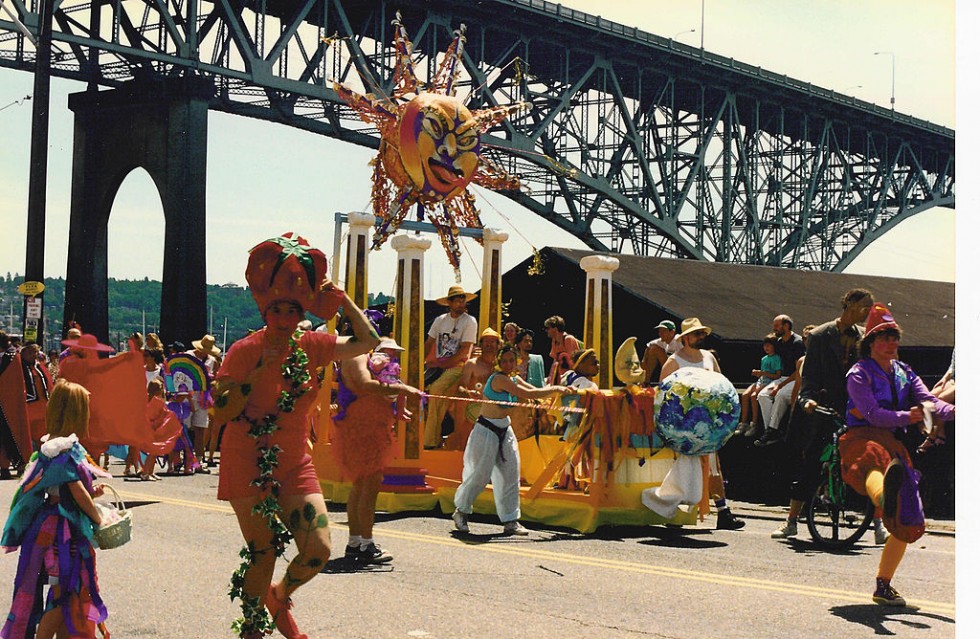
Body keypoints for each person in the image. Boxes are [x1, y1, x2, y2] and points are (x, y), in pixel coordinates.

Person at [212, 233, 379, 639]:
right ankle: (251, 631)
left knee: (318, 550)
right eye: (277, 311)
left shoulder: (313, 345)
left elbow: (368, 342)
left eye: (292, 309)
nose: (285, 318)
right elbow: (223, 411)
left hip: (292, 461)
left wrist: (341, 300)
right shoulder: (243, 351)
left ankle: (279, 595)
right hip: (245, 460)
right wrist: (256, 374)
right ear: (266, 312)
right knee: (264, 549)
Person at [837, 303, 954, 606]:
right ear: (870, 343)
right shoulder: (858, 374)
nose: (890, 343)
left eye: (894, 337)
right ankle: (882, 497)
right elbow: (873, 414)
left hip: (895, 444)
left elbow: (929, 401)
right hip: (862, 437)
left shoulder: (905, 372)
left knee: (908, 518)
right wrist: (909, 417)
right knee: (872, 461)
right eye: (882, 337)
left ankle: (883, 585)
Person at [1, 379, 111, 638]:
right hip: (60, 530)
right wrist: (99, 516)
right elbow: (76, 492)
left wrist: (92, 493)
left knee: (69, 590)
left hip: (53, 524)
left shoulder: (53, 444)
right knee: (65, 590)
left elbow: (62, 487)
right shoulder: (62, 449)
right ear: (75, 411)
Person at [770, 290, 877, 540]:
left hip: (853, 409)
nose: (868, 311)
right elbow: (810, 375)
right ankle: (792, 520)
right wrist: (807, 399)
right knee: (812, 463)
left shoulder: (864, 337)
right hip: (823, 406)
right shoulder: (820, 335)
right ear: (849, 304)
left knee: (869, 462)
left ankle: (879, 524)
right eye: (865, 306)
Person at [452, 344, 573, 535]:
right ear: (499, 362)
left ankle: (510, 520)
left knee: (510, 474)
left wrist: (562, 390)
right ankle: (461, 511)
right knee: (480, 475)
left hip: (504, 429)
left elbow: (536, 390)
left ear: (516, 361)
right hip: (486, 430)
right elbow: (527, 395)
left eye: (511, 360)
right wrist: (557, 389)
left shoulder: (514, 378)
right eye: (504, 360)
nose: (508, 364)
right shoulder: (499, 379)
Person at [334, 334, 422, 566]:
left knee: (361, 485)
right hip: (364, 427)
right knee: (369, 486)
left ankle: (356, 543)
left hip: (367, 424)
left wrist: (397, 402)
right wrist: (403, 388)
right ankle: (365, 543)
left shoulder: (358, 356)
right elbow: (365, 385)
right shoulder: (356, 356)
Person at [658, 318, 745, 530]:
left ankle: (723, 511)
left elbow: (720, 385)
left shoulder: (709, 358)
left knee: (714, 466)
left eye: (702, 334)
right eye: (696, 334)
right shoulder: (674, 362)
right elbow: (663, 394)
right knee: (679, 466)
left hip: (708, 423)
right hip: (682, 425)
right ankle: (675, 510)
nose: (701, 337)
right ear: (686, 338)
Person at [422, 285, 478, 449]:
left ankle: (429, 441)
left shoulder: (470, 321)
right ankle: (430, 436)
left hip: (458, 367)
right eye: (458, 300)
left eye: (463, 300)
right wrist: (419, 364)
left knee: (436, 389)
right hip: (438, 367)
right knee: (417, 386)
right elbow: (428, 343)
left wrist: (440, 363)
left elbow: (464, 351)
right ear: (450, 303)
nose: (461, 303)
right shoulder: (440, 320)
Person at [754, 314, 806, 446]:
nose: (774, 328)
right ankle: (770, 430)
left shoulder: (797, 343)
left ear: (786, 326)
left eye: (777, 326)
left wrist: (780, 385)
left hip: (794, 378)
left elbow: (797, 371)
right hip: (781, 378)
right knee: (762, 395)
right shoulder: (778, 342)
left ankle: (772, 430)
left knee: (781, 396)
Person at [448, 328, 502, 448]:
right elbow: (461, 387)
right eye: (486, 341)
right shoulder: (472, 364)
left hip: (495, 407)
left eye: (493, 341)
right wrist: (469, 392)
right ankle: (461, 444)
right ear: (480, 344)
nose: (489, 344)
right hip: (474, 406)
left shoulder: (502, 365)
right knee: (461, 401)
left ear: (498, 345)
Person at [555, 348, 600, 490]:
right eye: (594, 362)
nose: (597, 365)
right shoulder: (587, 385)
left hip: (567, 422)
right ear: (580, 365)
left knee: (579, 453)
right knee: (582, 452)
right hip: (579, 424)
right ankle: (570, 481)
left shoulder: (567, 376)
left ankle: (569, 481)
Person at [186, 335, 221, 471]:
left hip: (203, 397)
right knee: (184, 429)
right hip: (188, 395)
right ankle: (184, 460)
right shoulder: (188, 356)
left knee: (201, 429)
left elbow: (217, 378)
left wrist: (212, 383)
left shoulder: (212, 361)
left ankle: (199, 461)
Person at [735, 334, 781, 438]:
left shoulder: (777, 358)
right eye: (765, 346)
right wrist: (758, 374)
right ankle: (743, 423)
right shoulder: (764, 359)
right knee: (745, 395)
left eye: (769, 346)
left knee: (753, 396)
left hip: (769, 381)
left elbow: (777, 375)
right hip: (760, 381)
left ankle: (754, 424)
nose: (766, 348)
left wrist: (762, 373)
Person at [20, 341, 53, 450]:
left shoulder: (40, 366)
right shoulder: (18, 367)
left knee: (43, 440)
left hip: (42, 409)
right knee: (25, 441)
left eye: (35, 352)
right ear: (23, 353)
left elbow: (49, 384)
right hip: (26, 409)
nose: (34, 355)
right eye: (31, 352)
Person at [640, 320, 680, 386]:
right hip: (671, 370)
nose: (660, 333)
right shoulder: (663, 341)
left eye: (663, 331)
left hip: (682, 372)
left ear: (672, 332)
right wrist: (644, 361)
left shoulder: (679, 340)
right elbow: (649, 345)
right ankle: (645, 382)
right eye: (659, 331)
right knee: (653, 349)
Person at [544, 315, 580, 384]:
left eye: (548, 328)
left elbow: (574, 363)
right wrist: (550, 378)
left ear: (555, 328)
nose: (546, 331)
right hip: (562, 376)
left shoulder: (568, 339)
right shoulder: (554, 341)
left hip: (572, 377)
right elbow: (555, 362)